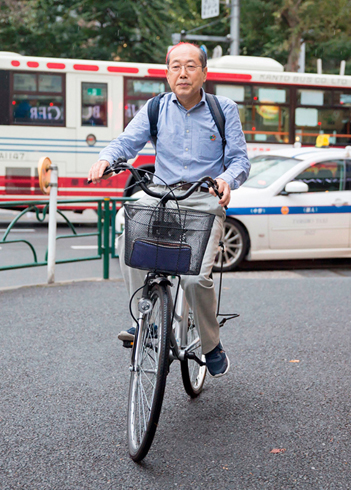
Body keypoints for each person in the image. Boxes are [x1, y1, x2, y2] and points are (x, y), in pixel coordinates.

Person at [88, 43, 250, 377]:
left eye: (191, 66)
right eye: (175, 66)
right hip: (160, 195)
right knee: (129, 242)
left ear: (204, 72)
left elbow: (239, 160)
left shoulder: (224, 109)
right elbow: (126, 143)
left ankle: (211, 344)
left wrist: (226, 180)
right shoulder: (155, 108)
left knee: (194, 280)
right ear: (166, 73)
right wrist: (106, 159)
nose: (183, 73)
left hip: (203, 199)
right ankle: (146, 321)